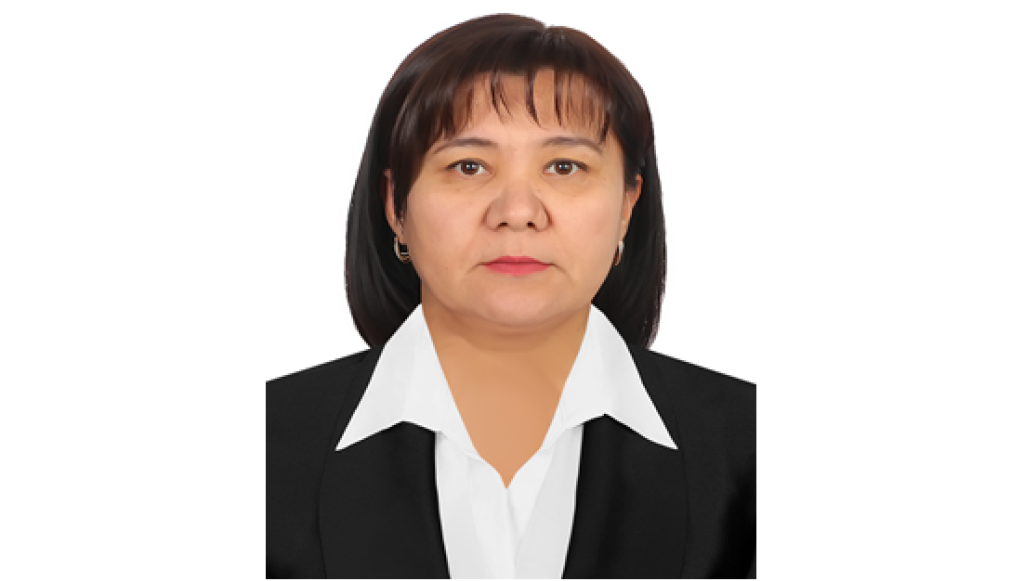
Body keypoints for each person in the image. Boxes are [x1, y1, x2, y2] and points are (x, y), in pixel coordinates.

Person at [267, 13, 755, 579]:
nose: (518, 212)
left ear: (627, 205)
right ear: (396, 205)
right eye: (468, 166)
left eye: (565, 166)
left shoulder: (754, 446)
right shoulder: (263, 445)